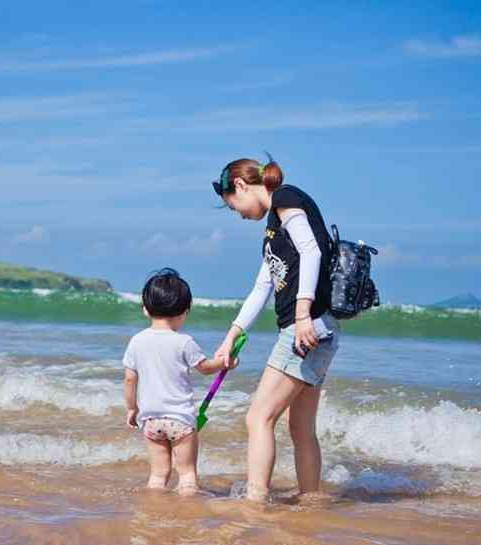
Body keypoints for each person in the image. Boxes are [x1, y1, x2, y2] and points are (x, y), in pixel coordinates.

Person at [212, 157, 339, 502]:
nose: (237, 213)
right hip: (316, 329)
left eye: (233, 204)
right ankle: (311, 501)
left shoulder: (285, 199)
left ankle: (255, 501)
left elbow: (311, 251)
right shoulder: (272, 228)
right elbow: (261, 288)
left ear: (240, 185)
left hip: (305, 329)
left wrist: (300, 314)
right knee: (300, 428)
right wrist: (231, 336)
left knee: (258, 418)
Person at [122, 268, 238, 495]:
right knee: (186, 475)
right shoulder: (184, 342)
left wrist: (131, 408)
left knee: (158, 475)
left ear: (145, 309)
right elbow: (205, 368)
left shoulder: (136, 341)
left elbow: (129, 379)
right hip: (181, 421)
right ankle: (186, 519)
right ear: (185, 311)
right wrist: (224, 363)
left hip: (151, 420)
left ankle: (154, 513)